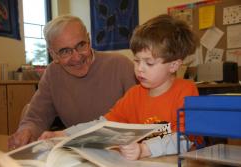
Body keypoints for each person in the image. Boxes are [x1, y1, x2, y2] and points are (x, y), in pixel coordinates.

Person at [39, 14, 199, 160]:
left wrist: (144, 149)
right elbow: (103, 124)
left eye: (149, 63)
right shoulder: (135, 94)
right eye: (137, 61)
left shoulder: (186, 91)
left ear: (173, 65)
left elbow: (185, 138)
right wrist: (64, 134)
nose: (139, 69)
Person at [8, 15, 137, 150]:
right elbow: (36, 118)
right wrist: (26, 131)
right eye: (65, 51)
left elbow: (145, 115)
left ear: (88, 39)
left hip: (124, 152)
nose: (76, 57)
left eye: (81, 45)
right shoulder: (53, 74)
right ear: (53, 54)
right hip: (78, 153)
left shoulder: (121, 65)